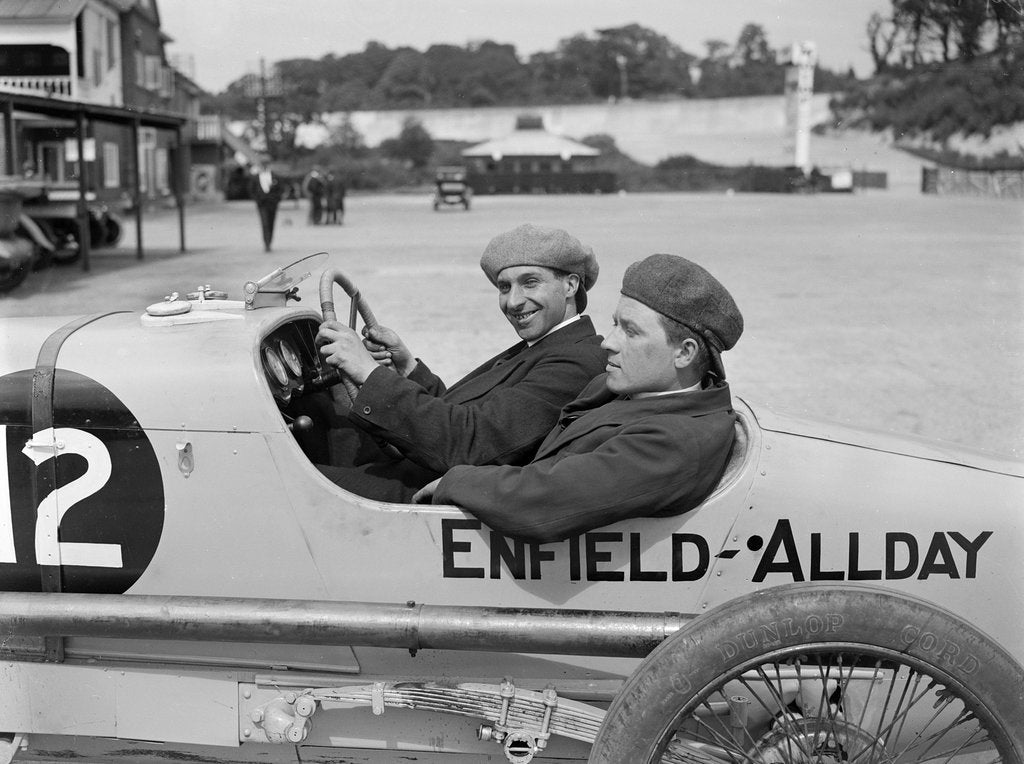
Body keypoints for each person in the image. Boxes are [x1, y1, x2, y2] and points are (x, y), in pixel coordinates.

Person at [413, 254, 744, 544]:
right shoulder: (620, 389)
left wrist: (454, 481)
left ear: (684, 353)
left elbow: (548, 499)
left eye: (631, 331)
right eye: (615, 324)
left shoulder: (676, 441)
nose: (608, 343)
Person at [313, 223, 608, 503]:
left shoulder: (578, 361)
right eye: (504, 287)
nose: (514, 301)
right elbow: (472, 415)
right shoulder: (546, 346)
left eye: (530, 283)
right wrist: (408, 370)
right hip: (424, 474)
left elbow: (473, 443)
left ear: (570, 285)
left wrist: (370, 371)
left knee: (277, 483)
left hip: (427, 495)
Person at [248, 154, 286, 252]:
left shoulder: (275, 176)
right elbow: (252, 190)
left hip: (272, 204)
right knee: (264, 223)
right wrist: (258, 200)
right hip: (262, 204)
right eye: (263, 163)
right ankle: (266, 244)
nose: (264, 165)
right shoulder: (256, 177)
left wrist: (276, 200)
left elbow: (281, 190)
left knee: (271, 223)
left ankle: (270, 241)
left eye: (266, 163)